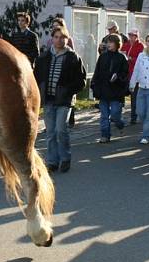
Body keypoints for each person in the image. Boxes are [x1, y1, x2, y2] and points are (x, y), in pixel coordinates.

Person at [34, 26, 86, 173]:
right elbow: (36, 77)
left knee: (60, 130)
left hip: (64, 100)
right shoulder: (44, 57)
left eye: (62, 37)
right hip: (49, 99)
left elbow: (81, 80)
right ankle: (52, 161)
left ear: (67, 39)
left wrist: (68, 90)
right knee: (50, 132)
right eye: (56, 37)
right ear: (52, 39)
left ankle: (65, 158)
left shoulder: (73, 57)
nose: (59, 40)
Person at [92, 34, 129, 142]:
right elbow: (97, 72)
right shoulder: (103, 56)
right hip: (103, 90)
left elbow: (125, 74)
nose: (109, 44)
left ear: (117, 44)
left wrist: (118, 77)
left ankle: (120, 124)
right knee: (104, 115)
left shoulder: (121, 58)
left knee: (115, 114)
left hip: (116, 91)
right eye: (108, 42)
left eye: (111, 42)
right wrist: (94, 86)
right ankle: (105, 135)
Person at [121, 28, 144, 123]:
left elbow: (141, 59)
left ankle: (133, 116)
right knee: (121, 94)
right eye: (129, 35)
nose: (130, 37)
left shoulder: (140, 46)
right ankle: (117, 115)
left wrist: (131, 59)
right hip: (125, 73)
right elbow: (121, 54)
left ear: (136, 36)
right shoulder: (125, 45)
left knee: (134, 96)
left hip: (135, 73)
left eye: (132, 35)